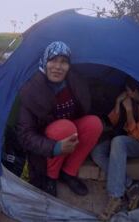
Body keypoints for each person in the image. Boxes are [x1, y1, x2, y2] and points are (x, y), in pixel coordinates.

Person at [16, 41, 103, 197]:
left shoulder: (74, 83)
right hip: (48, 141)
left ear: (69, 66)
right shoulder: (32, 90)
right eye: (53, 60)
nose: (58, 66)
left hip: (70, 132)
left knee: (94, 124)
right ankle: (51, 177)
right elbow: (25, 135)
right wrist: (55, 147)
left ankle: (68, 172)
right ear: (45, 61)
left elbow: (89, 105)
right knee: (65, 127)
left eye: (64, 62)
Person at [91, 77, 139, 220]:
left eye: (128, 90)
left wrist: (128, 110)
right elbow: (114, 121)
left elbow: (137, 135)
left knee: (118, 142)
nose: (126, 93)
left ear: (135, 91)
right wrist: (118, 102)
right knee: (97, 152)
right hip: (122, 138)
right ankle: (129, 184)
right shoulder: (132, 101)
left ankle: (116, 197)